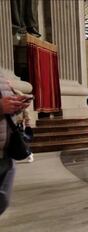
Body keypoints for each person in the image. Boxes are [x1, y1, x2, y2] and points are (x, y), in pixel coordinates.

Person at [0, 75, 31, 215]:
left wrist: (17, 106)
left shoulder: (2, 77)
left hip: (6, 154)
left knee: (2, 202)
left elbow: (6, 112)